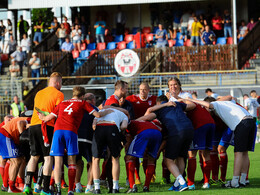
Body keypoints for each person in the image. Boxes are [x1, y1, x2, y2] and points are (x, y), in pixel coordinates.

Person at [38, 86, 112, 195]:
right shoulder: (82, 103)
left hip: (57, 132)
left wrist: (41, 116)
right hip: (70, 131)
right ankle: (70, 190)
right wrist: (107, 111)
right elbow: (98, 114)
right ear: (82, 96)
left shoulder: (62, 103)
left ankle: (58, 190)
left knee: (58, 162)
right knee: (72, 161)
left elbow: (47, 118)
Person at [187, 96, 256, 188]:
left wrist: (192, 100)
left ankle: (234, 182)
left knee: (238, 153)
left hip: (241, 123)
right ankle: (243, 180)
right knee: (244, 153)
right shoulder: (227, 103)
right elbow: (232, 98)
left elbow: (208, 104)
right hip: (251, 121)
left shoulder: (216, 104)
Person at [139, 95, 195, 192]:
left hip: (177, 131)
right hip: (190, 129)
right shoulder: (176, 104)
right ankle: (177, 184)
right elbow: (193, 105)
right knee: (180, 157)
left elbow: (146, 116)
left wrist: (132, 121)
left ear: (157, 103)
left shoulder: (159, 110)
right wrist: (182, 100)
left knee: (168, 160)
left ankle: (182, 182)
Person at [24, 72, 64, 195]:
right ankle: (45, 189)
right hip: (46, 126)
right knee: (48, 158)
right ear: (57, 83)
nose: (61, 86)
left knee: (34, 157)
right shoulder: (59, 94)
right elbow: (58, 113)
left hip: (33, 125)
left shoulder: (39, 93)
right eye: (61, 83)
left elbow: (39, 109)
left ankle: (27, 186)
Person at [92, 106, 128, 194]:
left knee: (96, 159)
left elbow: (93, 125)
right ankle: (115, 187)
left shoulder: (101, 111)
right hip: (112, 127)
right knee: (115, 158)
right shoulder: (123, 114)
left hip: (99, 128)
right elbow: (124, 126)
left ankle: (97, 188)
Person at [125, 119, 162, 193]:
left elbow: (128, 139)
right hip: (158, 133)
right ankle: (146, 187)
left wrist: (127, 151)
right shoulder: (146, 122)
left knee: (128, 158)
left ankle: (132, 186)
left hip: (144, 132)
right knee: (151, 160)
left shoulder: (127, 124)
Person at [0, 116, 31, 193]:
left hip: (9, 135)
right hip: (6, 134)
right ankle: (11, 186)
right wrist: (22, 136)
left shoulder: (29, 119)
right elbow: (19, 123)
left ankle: (12, 185)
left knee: (19, 160)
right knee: (16, 161)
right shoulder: (30, 120)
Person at [76, 93, 98, 193]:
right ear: (93, 100)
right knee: (92, 162)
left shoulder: (77, 107)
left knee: (78, 162)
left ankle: (77, 185)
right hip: (88, 139)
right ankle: (89, 186)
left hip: (75, 139)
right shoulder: (94, 109)